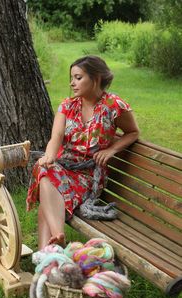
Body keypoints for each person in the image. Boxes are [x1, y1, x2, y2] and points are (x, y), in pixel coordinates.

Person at [26, 55, 139, 250]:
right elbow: (57, 136)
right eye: (72, 78)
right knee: (44, 171)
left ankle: (47, 250)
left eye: (78, 78)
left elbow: (133, 132)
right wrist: (50, 155)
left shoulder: (113, 106)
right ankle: (57, 238)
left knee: (46, 180)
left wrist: (112, 149)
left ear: (95, 78)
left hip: (89, 176)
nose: (72, 83)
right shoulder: (67, 106)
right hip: (64, 168)